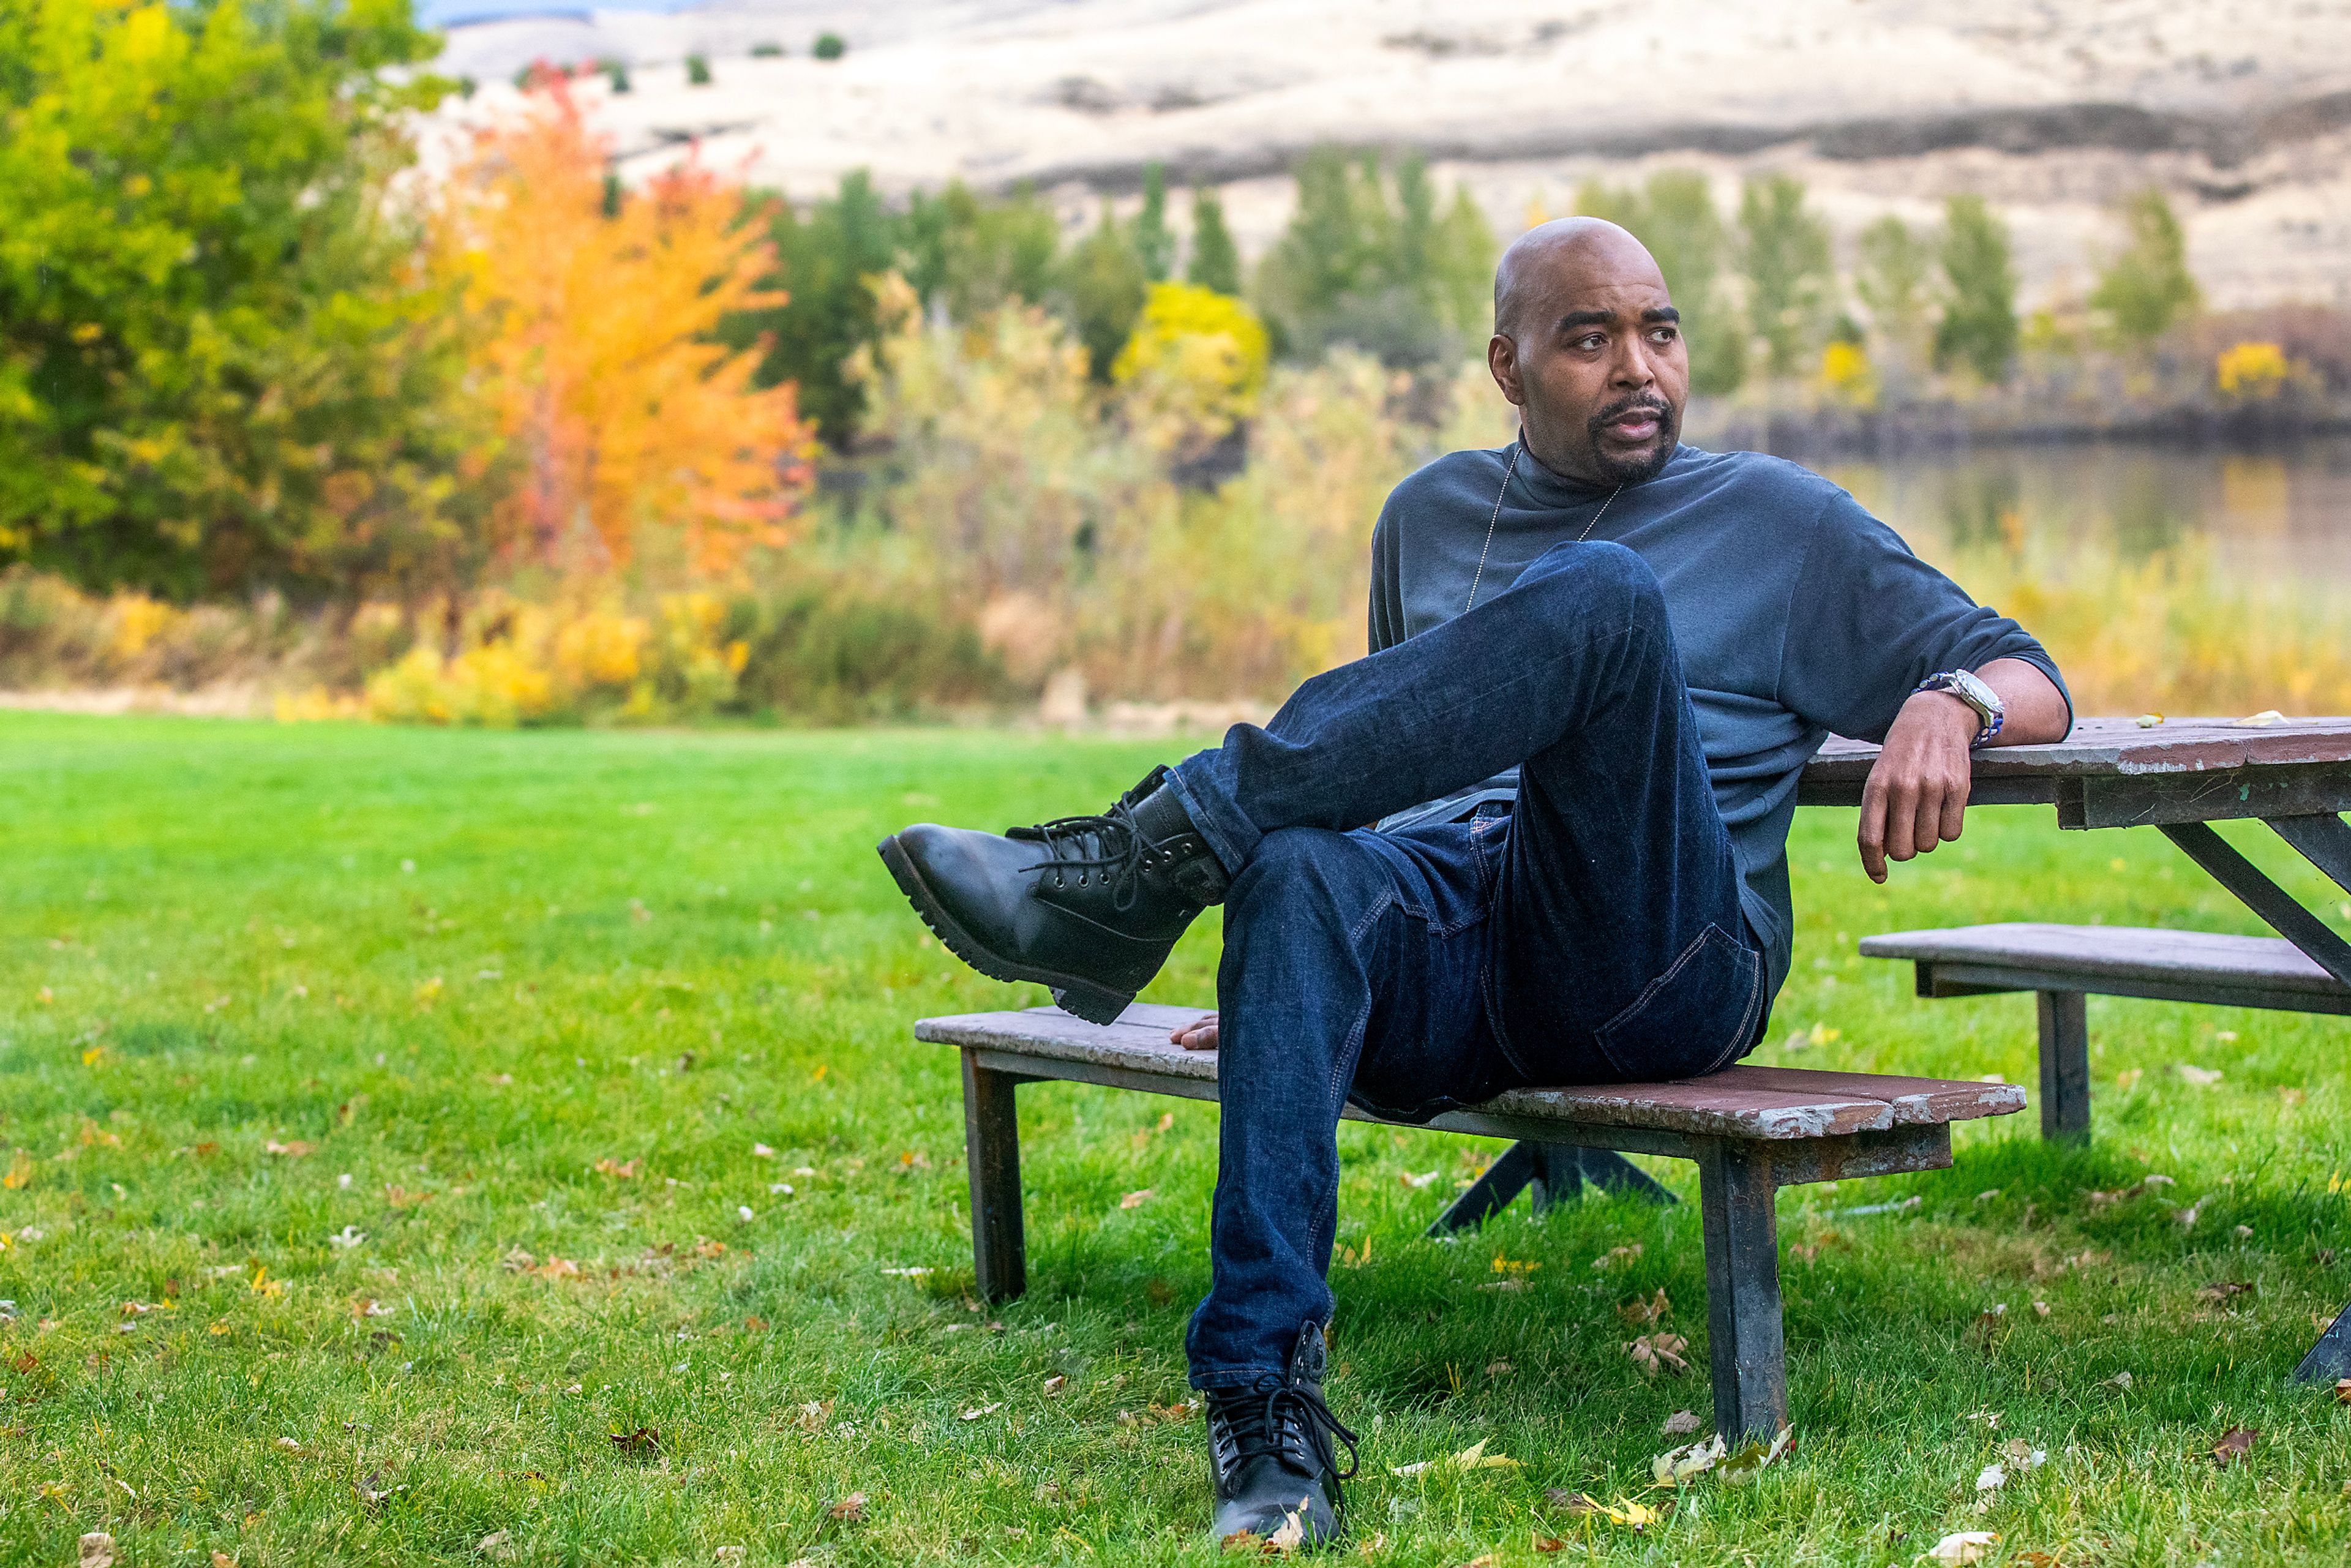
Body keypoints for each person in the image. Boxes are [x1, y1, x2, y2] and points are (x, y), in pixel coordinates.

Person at [878, 217, 2071, 1548]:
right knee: (1294, 868)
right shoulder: (1429, 515)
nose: (1639, 369)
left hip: (1655, 963)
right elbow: (1372, 771)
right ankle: (1260, 1404)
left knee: (1607, 599)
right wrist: (1301, 976)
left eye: (1660, 333)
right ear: (1507, 368)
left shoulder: (1779, 522)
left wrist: (1950, 702)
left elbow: (2032, 671)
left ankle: (1143, 860)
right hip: (1451, 953)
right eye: (1589, 338)